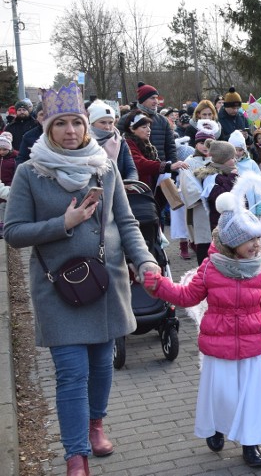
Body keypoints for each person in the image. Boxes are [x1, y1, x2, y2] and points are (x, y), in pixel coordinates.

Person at [4, 82, 159, 475]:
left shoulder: (103, 168)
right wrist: (64, 223)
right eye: (61, 124)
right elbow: (13, 232)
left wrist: (144, 263)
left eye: (77, 122)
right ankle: (76, 454)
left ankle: (96, 424)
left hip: (105, 284)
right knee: (72, 372)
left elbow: (126, 222)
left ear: (86, 126)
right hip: (58, 289)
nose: (70, 130)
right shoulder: (29, 172)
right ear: (47, 128)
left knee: (102, 364)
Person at [142, 176, 261, 468]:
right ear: (233, 242)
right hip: (219, 344)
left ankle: (251, 444)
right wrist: (159, 285)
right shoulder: (211, 267)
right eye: (249, 240)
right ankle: (216, 427)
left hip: (252, 345)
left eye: (257, 239)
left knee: (250, 398)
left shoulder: (260, 267)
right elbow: (187, 295)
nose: (255, 245)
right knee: (222, 395)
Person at [123, 113, 188, 206]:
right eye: (144, 127)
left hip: (149, 191)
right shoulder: (128, 144)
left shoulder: (146, 145)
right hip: (137, 194)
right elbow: (140, 164)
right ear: (132, 128)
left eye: (149, 127)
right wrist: (168, 166)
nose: (149, 130)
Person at [179, 123, 218, 265]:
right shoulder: (189, 162)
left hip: (216, 206)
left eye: (209, 143)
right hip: (200, 206)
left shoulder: (217, 161)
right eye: (201, 142)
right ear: (196, 144)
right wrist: (201, 195)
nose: (205, 146)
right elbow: (187, 183)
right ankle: (202, 269)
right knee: (203, 239)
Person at [125, 82, 177, 164]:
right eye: (152, 98)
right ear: (142, 100)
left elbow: (170, 147)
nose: (156, 101)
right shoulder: (127, 119)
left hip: (161, 170)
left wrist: (173, 167)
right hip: (137, 170)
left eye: (157, 98)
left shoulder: (163, 120)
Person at [87, 100, 138, 181]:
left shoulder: (121, 142)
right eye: (103, 122)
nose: (107, 127)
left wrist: (129, 182)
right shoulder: (84, 142)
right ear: (92, 123)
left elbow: (131, 169)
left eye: (111, 122)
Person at [0, 132, 17, 239]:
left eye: (4, 149)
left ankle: (5, 227)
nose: (1, 152)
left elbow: (15, 175)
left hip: (9, 187)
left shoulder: (14, 160)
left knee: (5, 208)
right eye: (0, 149)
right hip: (1, 188)